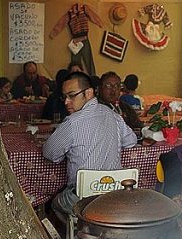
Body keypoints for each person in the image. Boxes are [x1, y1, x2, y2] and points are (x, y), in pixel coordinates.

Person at [42, 71, 137, 216]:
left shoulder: (73, 122)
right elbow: (131, 141)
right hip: (114, 197)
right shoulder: (113, 115)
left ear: (89, 93)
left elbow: (49, 153)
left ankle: (71, 237)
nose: (66, 102)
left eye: (72, 95)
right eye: (65, 96)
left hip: (82, 200)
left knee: (51, 204)